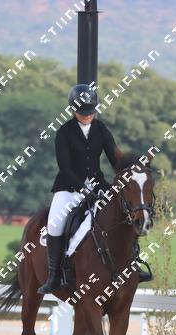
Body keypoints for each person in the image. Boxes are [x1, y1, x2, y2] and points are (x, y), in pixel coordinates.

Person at [38, 84, 151, 295]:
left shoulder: (101, 129)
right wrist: (82, 189)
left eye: (91, 111)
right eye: (83, 112)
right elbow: (65, 168)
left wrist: (131, 169)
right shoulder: (64, 133)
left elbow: (116, 159)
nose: (88, 115)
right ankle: (54, 276)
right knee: (54, 224)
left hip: (99, 185)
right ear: (73, 110)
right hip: (69, 188)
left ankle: (134, 263)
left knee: (125, 213)